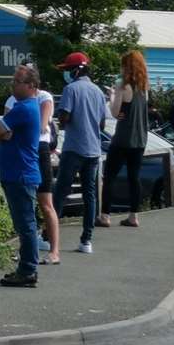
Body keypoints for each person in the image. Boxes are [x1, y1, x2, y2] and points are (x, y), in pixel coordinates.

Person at [0, 64, 43, 288]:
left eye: (17, 81)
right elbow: (0, 131)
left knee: (25, 225)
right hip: (19, 173)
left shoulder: (24, 108)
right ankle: (27, 267)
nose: (12, 84)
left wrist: (3, 134)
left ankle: (28, 270)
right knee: (25, 223)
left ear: (31, 85)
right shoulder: (26, 107)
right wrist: (3, 134)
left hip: (20, 173)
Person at [51, 52, 107, 254]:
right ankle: (86, 240)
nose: (65, 73)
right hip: (94, 150)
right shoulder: (98, 91)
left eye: (67, 70)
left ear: (76, 70)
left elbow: (64, 118)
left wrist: (65, 120)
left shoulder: (70, 89)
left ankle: (48, 236)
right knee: (90, 194)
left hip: (74, 148)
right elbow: (102, 123)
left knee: (60, 192)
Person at [4, 67, 60, 265]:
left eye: (18, 80)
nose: (14, 83)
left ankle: (54, 251)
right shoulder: (12, 100)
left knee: (45, 203)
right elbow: (4, 129)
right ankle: (27, 250)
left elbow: (42, 125)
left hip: (39, 149)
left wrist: (18, 129)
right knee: (22, 209)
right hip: (20, 153)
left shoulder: (44, 96)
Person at [98, 51, 150, 228]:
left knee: (110, 176)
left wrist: (112, 96)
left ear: (126, 66)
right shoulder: (144, 88)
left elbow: (115, 113)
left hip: (122, 138)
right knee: (134, 177)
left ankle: (105, 215)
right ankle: (134, 215)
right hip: (140, 138)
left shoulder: (122, 84)